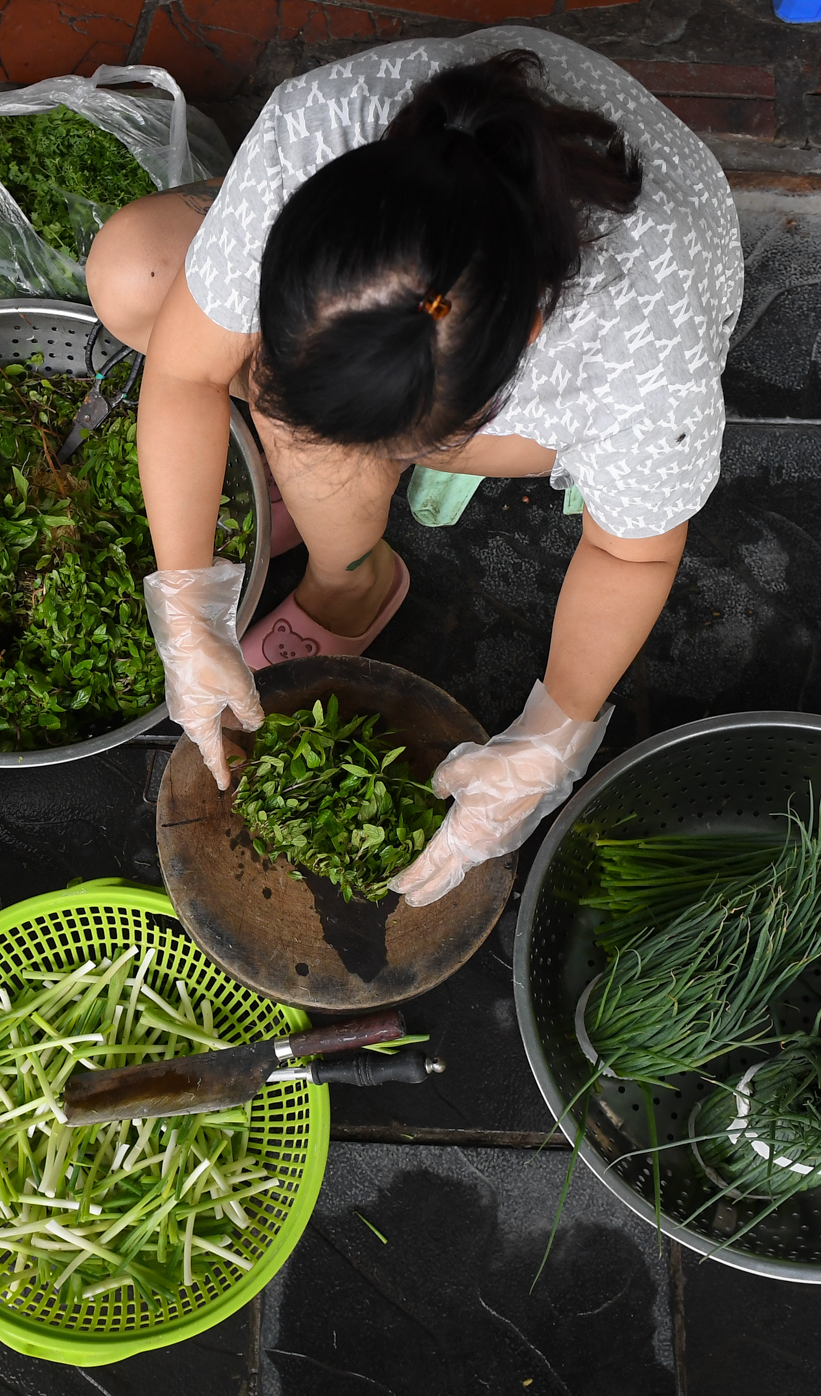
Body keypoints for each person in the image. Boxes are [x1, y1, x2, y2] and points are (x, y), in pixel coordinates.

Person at [86, 27, 743, 906]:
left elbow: (633, 552)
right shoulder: (317, 129)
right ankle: (339, 502)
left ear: (524, 344)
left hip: (599, 350)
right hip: (446, 285)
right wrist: (186, 604)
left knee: (310, 443)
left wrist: (552, 735)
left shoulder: (641, 360)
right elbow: (184, 368)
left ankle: (350, 578)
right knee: (137, 274)